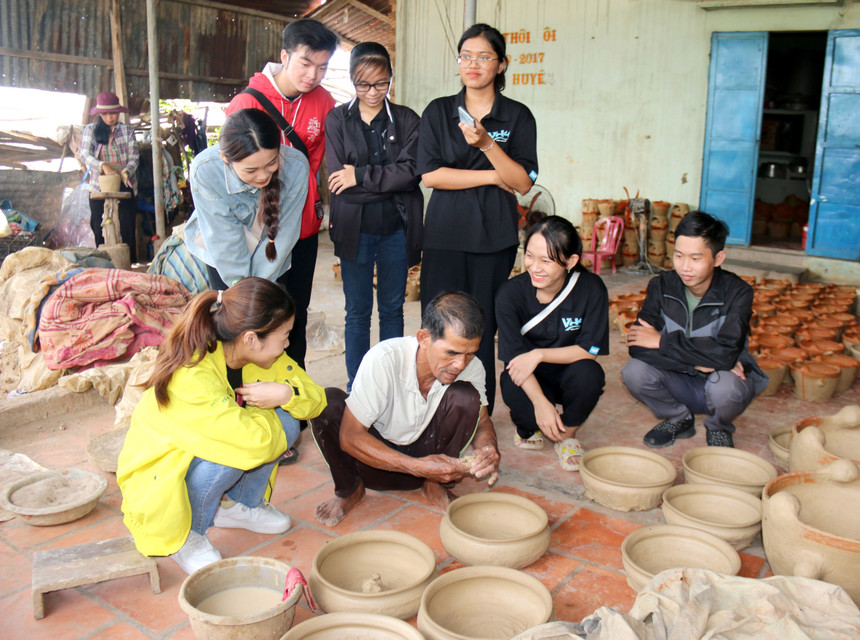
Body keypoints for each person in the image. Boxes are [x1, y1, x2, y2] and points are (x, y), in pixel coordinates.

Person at [116, 278, 327, 574]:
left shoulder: (257, 355)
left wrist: (287, 394)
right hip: (158, 481)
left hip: (213, 448)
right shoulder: (193, 376)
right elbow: (252, 443)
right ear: (251, 338)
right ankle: (188, 534)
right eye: (285, 336)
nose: (288, 344)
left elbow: (316, 400)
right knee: (234, 451)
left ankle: (240, 506)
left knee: (289, 418)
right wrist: (270, 405)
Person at [417, 23, 538, 411]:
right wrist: (492, 173)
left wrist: (487, 143)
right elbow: (431, 175)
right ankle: (434, 404)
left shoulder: (517, 116)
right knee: (439, 325)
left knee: (482, 328)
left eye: (484, 57)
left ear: (501, 65)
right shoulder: (438, 111)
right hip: (444, 236)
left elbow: (521, 182)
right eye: (466, 56)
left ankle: (478, 410)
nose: (473, 64)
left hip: (494, 239)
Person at [311, 292, 500, 527]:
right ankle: (351, 489)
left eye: (470, 353)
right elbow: (350, 437)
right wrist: (418, 467)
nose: (460, 364)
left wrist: (487, 448)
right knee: (325, 402)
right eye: (451, 353)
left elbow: (482, 422)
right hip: (373, 463)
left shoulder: (472, 368)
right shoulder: (384, 359)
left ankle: (434, 486)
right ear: (423, 338)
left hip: (430, 461)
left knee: (466, 396)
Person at [226, 18, 339, 369]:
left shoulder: (325, 102)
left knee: (295, 313)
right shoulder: (248, 101)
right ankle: (250, 392)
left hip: (303, 226)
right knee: (258, 315)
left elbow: (319, 160)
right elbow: (233, 171)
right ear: (285, 56)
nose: (313, 75)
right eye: (306, 63)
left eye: (322, 67)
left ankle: (293, 388)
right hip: (260, 229)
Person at [621, 211, 767, 449]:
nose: (684, 267)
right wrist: (698, 363)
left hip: (721, 381)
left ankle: (719, 427)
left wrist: (662, 342)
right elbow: (638, 346)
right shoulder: (661, 285)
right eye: (678, 256)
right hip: (679, 380)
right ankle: (679, 417)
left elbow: (725, 355)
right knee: (634, 372)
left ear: (718, 258)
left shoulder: (738, 293)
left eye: (695, 258)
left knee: (726, 387)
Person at [325, 41, 423, 391]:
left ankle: (392, 381)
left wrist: (362, 176)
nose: (372, 92)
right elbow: (338, 179)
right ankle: (359, 384)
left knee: (393, 308)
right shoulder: (337, 119)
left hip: (396, 227)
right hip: (356, 229)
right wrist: (390, 180)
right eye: (364, 84)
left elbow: (412, 172)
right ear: (352, 80)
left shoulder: (409, 119)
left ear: (390, 80)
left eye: (381, 83)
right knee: (357, 312)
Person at [495, 216, 609, 471]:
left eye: (546, 260)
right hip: (529, 374)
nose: (535, 267)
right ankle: (527, 429)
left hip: (570, 368)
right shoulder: (510, 295)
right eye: (530, 256)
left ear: (571, 261)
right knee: (512, 386)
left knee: (590, 375)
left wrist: (538, 354)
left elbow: (589, 350)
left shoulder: (591, 289)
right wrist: (540, 403)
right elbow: (514, 359)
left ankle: (567, 435)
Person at [184, 108, 308, 289]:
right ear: (225, 158)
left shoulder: (296, 167)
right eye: (251, 170)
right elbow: (224, 238)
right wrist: (242, 288)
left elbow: (284, 235)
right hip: (224, 258)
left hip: (274, 257)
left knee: (272, 311)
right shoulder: (206, 170)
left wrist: (259, 288)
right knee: (233, 312)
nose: (263, 176)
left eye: (271, 163)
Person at [79, 91, 139, 254]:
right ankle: (103, 262)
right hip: (99, 185)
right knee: (100, 227)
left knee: (126, 226)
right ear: (99, 114)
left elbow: (134, 157)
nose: (109, 117)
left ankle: (129, 263)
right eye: (105, 114)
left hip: (124, 183)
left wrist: (126, 171)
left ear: (118, 112)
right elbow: (84, 154)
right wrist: (102, 166)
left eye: (113, 113)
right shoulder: (91, 130)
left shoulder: (127, 131)